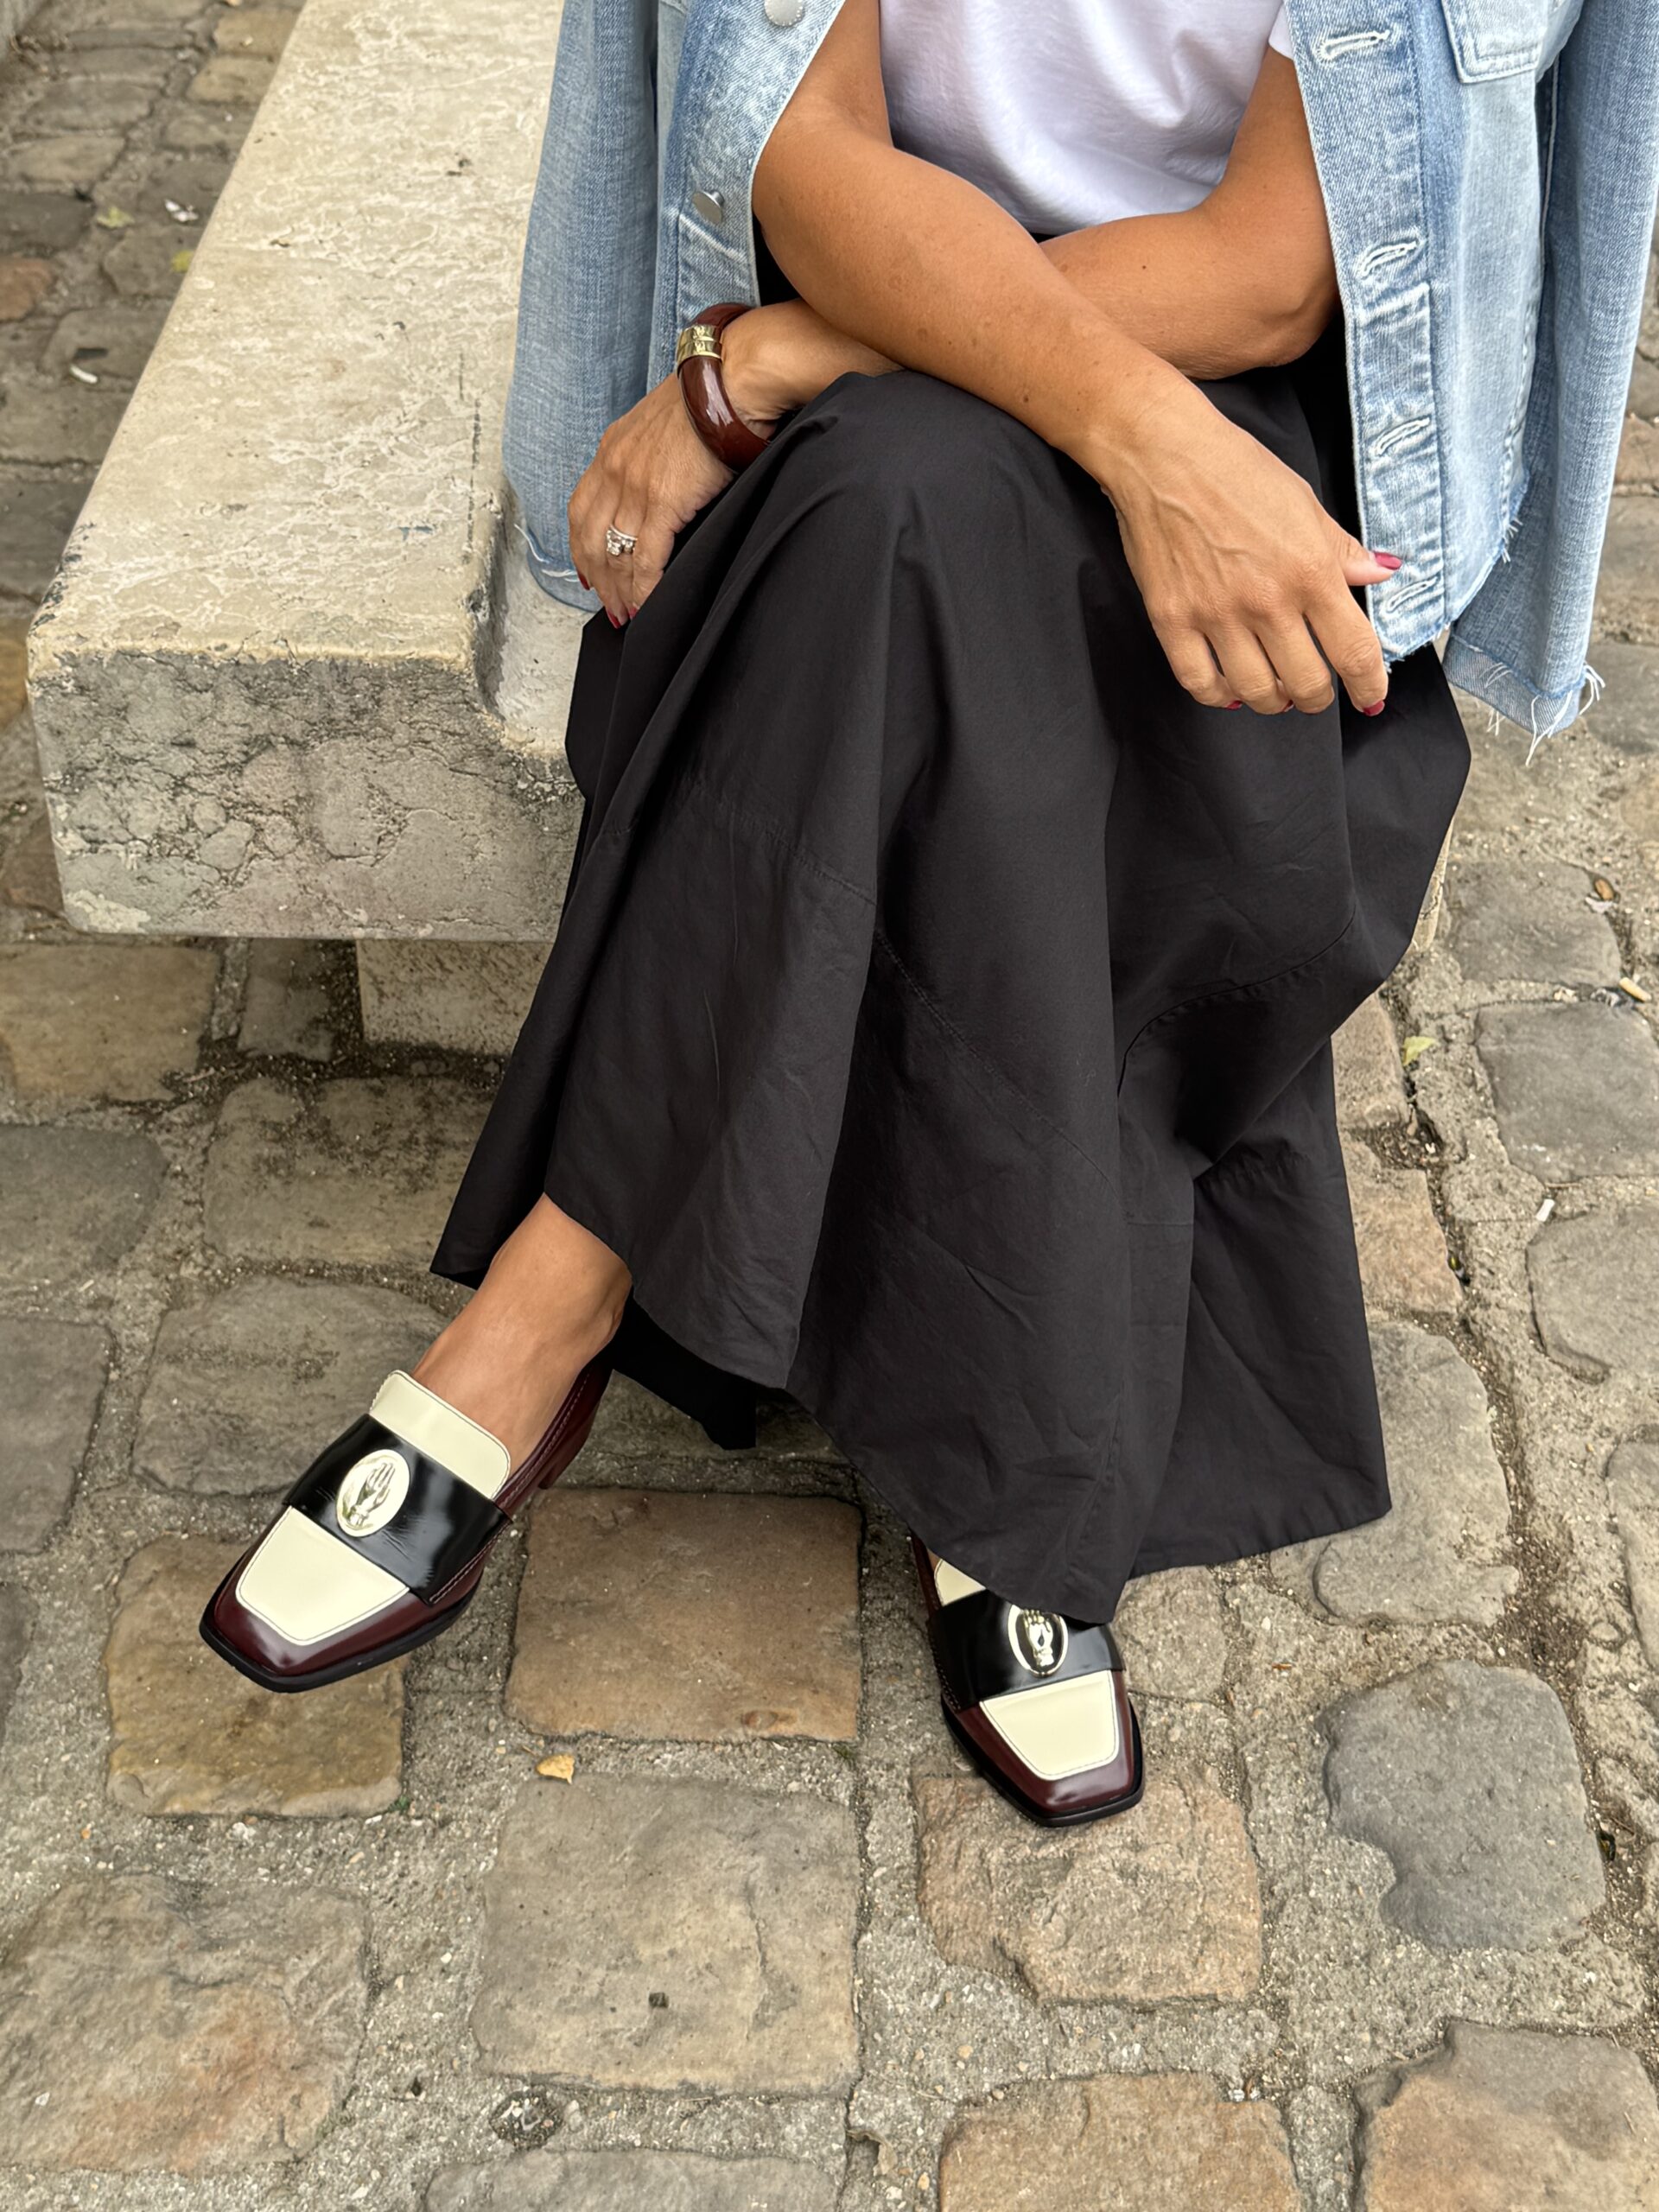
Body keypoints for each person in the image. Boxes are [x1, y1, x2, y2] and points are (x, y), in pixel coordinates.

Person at [201, 0, 1658, 1826]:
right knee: (905, 510)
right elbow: (810, 169)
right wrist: (1105, 430)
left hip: (1253, 435)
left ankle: (543, 1302)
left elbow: (1272, 277)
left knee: (919, 517)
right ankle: (1014, 1461)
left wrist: (788, 361)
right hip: (879, 424)